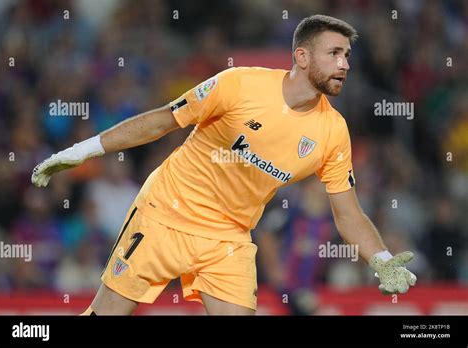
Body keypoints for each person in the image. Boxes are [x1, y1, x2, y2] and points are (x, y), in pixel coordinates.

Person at [31, 15, 416, 315]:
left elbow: (348, 214)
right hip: (166, 213)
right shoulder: (238, 85)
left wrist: (381, 260)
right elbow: (165, 119)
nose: (344, 63)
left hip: (229, 239)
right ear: (301, 56)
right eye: (334, 53)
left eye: (347, 55)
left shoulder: (333, 132)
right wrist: (81, 150)